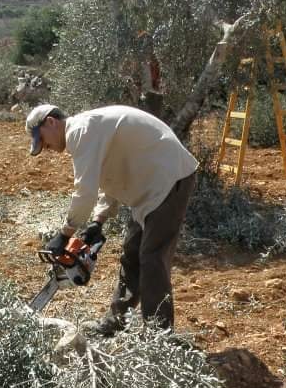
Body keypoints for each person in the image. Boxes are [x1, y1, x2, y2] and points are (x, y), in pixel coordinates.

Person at [25, 103, 198, 335]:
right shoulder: (89, 130)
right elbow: (109, 177)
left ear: (51, 122)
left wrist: (65, 234)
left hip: (168, 178)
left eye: (42, 139)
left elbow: (84, 191)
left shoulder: (80, 131)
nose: (44, 147)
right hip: (149, 189)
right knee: (131, 255)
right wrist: (98, 220)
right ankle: (116, 322)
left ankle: (159, 335)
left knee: (152, 258)